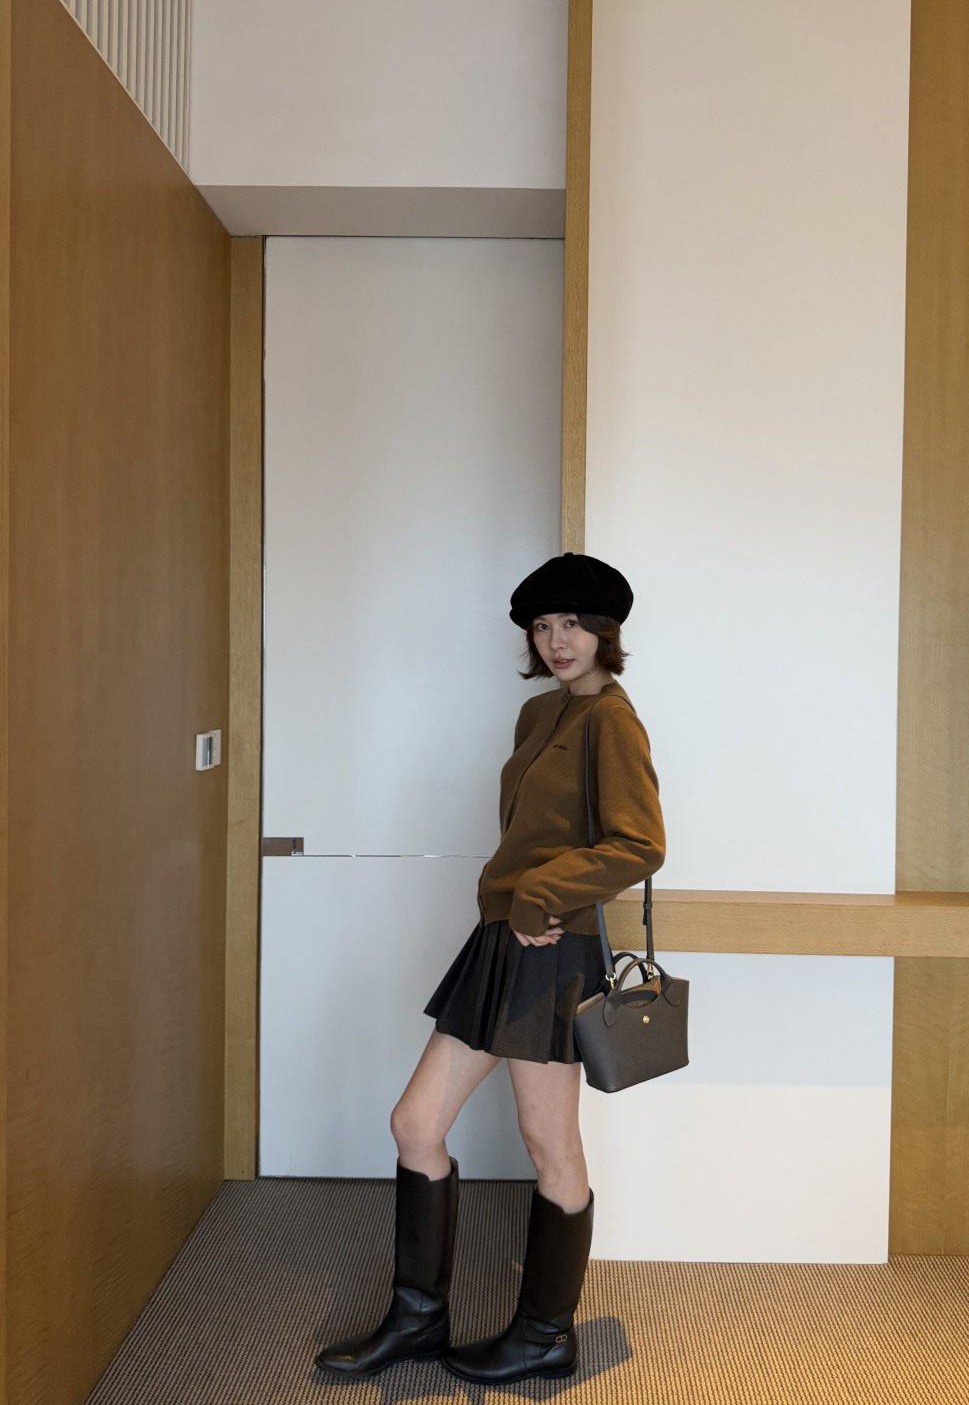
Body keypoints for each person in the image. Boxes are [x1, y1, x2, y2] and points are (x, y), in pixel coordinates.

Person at [315, 551, 665, 1386]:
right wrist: (513, 901)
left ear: (605, 630)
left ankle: (545, 1335)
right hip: (502, 942)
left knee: (550, 1143)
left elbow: (640, 843)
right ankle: (418, 1320)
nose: (556, 641)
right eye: (542, 626)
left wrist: (542, 896)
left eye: (572, 623)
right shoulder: (538, 714)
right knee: (415, 1124)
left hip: (552, 952)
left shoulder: (612, 721)